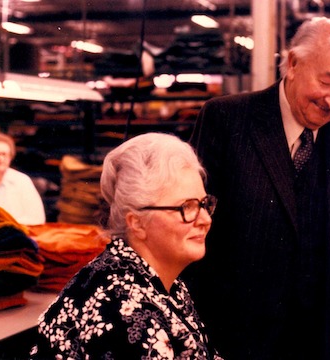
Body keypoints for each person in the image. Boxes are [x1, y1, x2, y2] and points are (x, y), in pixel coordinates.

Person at [183, 17, 330, 360]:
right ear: (292, 64)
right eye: (327, 81)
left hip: (321, 339)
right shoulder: (226, 120)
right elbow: (188, 226)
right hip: (233, 337)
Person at [30, 133, 223, 359]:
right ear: (137, 223)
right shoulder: (122, 309)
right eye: (186, 207)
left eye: (203, 204)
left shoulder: (159, 280)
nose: (205, 220)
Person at [0, 132, 45, 225]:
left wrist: (7, 223)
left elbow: (38, 218)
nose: (0, 158)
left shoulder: (22, 180)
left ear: (10, 157)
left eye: (4, 154)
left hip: (19, 234)